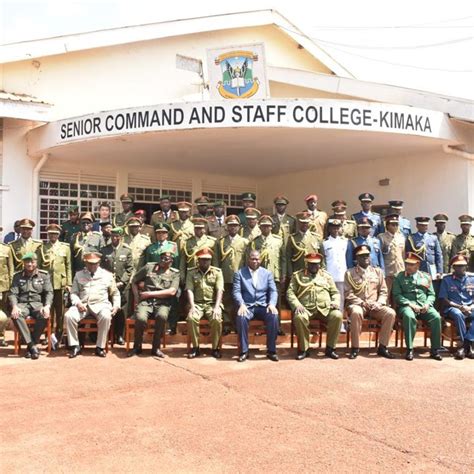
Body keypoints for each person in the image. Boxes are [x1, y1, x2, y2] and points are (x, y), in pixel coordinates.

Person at [287, 252, 343, 360]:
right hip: (306, 309)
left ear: (320, 264)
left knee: (337, 315)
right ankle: (304, 349)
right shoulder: (298, 276)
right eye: (311, 264)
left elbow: (335, 292)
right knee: (299, 317)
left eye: (316, 264)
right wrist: (297, 305)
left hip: (325, 309)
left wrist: (335, 302)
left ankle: (331, 348)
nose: (314, 266)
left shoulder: (326, 276)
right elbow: (290, 292)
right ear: (306, 264)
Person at [344, 244, 396, 360]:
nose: (365, 258)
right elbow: (348, 293)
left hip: (374, 306)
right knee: (356, 312)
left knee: (390, 313)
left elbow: (383, 291)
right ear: (357, 258)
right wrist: (362, 303)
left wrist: (379, 303)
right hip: (359, 305)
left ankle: (383, 347)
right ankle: (355, 348)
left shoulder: (377, 272)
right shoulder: (350, 273)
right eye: (362, 256)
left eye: (367, 255)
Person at [65, 252, 120, 358]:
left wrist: (116, 305)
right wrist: (78, 303)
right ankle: (75, 345)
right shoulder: (79, 275)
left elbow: (115, 293)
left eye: (95, 263)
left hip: (101, 304)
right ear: (85, 263)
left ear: (99, 263)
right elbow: (74, 293)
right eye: (90, 264)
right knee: (69, 316)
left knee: (106, 316)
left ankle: (100, 346)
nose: (93, 266)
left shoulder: (107, 275)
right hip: (83, 305)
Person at [128, 243, 179, 358]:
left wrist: (150, 293)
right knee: (140, 318)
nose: (163, 260)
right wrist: (136, 298)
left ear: (171, 261)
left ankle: (156, 348)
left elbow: (172, 291)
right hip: (146, 302)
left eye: (166, 259)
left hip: (163, 303)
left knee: (161, 316)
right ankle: (137, 347)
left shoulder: (175, 273)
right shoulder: (149, 267)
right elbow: (134, 281)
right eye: (161, 257)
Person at [392, 252, 443, 361]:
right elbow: (397, 295)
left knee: (436, 317)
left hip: (424, 306)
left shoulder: (426, 276)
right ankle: (410, 349)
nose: (408, 267)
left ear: (418, 265)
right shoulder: (399, 277)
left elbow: (431, 294)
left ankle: (435, 350)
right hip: (407, 306)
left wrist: (427, 304)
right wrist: (410, 304)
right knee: (409, 316)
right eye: (407, 264)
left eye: (411, 264)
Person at [233, 250, 279, 362]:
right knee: (241, 317)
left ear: (260, 260)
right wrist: (241, 304)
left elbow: (273, 291)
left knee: (273, 316)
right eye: (252, 259)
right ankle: (244, 351)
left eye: (257, 259)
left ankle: (271, 351)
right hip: (247, 307)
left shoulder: (267, 273)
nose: (255, 261)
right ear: (248, 259)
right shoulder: (239, 273)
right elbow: (236, 291)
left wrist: (272, 304)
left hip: (263, 306)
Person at [8, 252, 53, 359]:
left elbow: (49, 292)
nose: (29, 264)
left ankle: (30, 346)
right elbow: (13, 293)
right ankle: (33, 346)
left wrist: (47, 306)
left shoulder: (44, 275)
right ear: (23, 263)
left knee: (44, 315)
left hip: (37, 305)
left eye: (32, 262)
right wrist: (14, 306)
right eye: (27, 262)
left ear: (36, 262)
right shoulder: (17, 276)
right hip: (22, 305)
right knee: (16, 315)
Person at [186, 248, 224, 359]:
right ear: (198, 260)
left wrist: (217, 307)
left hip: (212, 304)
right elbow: (189, 290)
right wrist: (192, 306)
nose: (205, 262)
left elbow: (220, 290)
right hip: (197, 304)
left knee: (216, 319)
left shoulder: (217, 272)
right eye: (202, 259)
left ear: (211, 260)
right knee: (191, 318)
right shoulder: (191, 272)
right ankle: (196, 347)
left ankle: (215, 348)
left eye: (207, 260)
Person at [216, 215, 249, 335]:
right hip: (225, 276)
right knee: (226, 302)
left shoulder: (245, 242)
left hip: (240, 276)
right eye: (230, 226)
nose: (233, 228)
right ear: (227, 227)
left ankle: (238, 324)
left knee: (238, 301)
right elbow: (216, 261)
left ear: (239, 227)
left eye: (235, 225)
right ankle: (226, 325)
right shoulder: (221, 242)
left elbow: (247, 261)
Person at [40, 223, 72, 346]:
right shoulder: (42, 248)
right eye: (51, 234)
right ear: (48, 235)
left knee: (60, 312)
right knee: (48, 311)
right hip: (47, 284)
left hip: (60, 284)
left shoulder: (65, 247)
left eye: (55, 234)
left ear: (59, 235)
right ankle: (47, 335)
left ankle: (58, 336)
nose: (53, 236)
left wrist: (69, 283)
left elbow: (68, 266)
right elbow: (39, 267)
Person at [101, 227, 133, 345]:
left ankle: (120, 335)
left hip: (122, 286)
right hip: (107, 286)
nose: (115, 238)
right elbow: (101, 268)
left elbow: (129, 269)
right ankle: (108, 334)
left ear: (121, 237)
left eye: (117, 236)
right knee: (107, 310)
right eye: (113, 236)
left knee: (122, 312)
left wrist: (122, 282)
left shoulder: (126, 250)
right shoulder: (104, 250)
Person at [438, 254, 474, 360]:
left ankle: (465, 345)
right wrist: (460, 307)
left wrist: (470, 307)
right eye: (458, 266)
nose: (461, 268)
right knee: (458, 314)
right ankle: (467, 346)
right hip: (453, 307)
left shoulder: (472, 279)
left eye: (463, 266)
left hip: (470, 307)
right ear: (453, 267)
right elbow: (444, 298)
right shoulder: (447, 279)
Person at [321, 219, 348, 312]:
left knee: (341, 298)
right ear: (329, 229)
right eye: (333, 228)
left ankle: (340, 318)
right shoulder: (324, 243)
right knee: (329, 297)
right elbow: (323, 260)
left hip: (341, 274)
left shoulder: (345, 242)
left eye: (337, 228)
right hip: (329, 274)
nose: (336, 230)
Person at [286, 211, 322, 278]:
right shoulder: (292, 238)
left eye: (306, 222)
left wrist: (322, 270)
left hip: (314, 272)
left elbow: (322, 256)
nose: (304, 225)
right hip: (298, 272)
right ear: (298, 223)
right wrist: (290, 273)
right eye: (302, 222)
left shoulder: (316, 238)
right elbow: (288, 258)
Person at [378, 214, 405, 296]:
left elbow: (403, 254)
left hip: (399, 270)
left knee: (398, 294)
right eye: (393, 224)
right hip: (388, 270)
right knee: (386, 294)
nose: (395, 226)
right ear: (387, 226)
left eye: (397, 224)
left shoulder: (401, 237)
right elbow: (380, 255)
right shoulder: (381, 237)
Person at [0, 241, 14, 346]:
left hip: (3, 285)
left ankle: (1, 337)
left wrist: (11, 284)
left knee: (3, 312)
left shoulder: (6, 248)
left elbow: (11, 268)